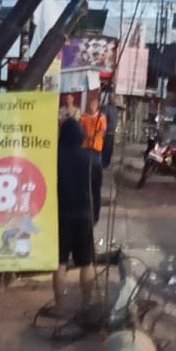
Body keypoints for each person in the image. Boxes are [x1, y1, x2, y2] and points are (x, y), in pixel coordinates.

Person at [52, 117, 97, 315]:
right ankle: (86, 306)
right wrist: (94, 216)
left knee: (60, 262)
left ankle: (59, 306)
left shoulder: (54, 158)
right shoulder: (92, 159)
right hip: (84, 215)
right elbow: (96, 192)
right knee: (87, 262)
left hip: (60, 216)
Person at [100, 97, 120, 170]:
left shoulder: (115, 109)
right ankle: (103, 163)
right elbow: (102, 119)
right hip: (106, 133)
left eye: (115, 99)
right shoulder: (106, 108)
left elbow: (115, 121)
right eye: (113, 98)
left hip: (112, 133)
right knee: (105, 149)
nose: (115, 100)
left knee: (109, 150)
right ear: (109, 99)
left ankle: (106, 164)